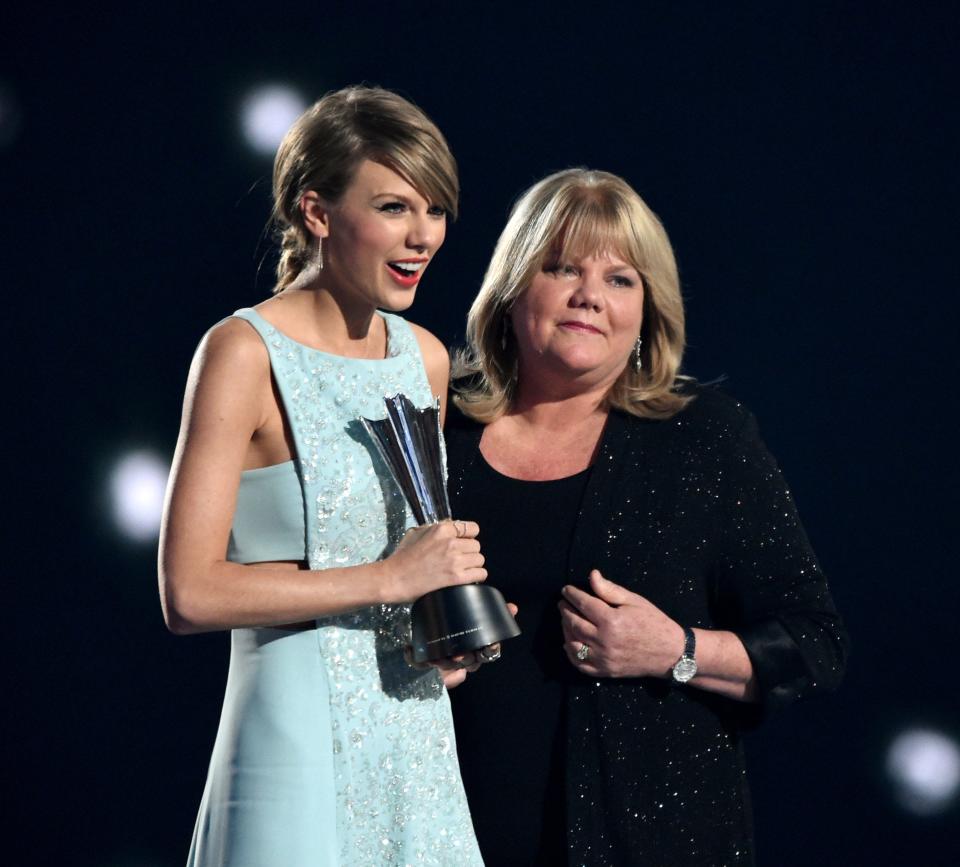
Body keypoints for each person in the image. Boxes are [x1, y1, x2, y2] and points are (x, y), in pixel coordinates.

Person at [445, 168, 849, 866]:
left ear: (647, 311)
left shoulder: (705, 439)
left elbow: (815, 643)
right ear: (512, 290)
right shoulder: (435, 430)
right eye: (562, 267)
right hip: (441, 832)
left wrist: (675, 650)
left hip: (650, 842)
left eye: (620, 279)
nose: (589, 297)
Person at [159, 86, 490, 867]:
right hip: (291, 739)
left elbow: (405, 572)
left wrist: (439, 630)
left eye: (435, 210)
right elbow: (190, 591)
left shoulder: (426, 359)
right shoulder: (241, 353)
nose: (423, 236)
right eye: (394, 208)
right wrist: (389, 578)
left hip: (412, 738)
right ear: (316, 211)